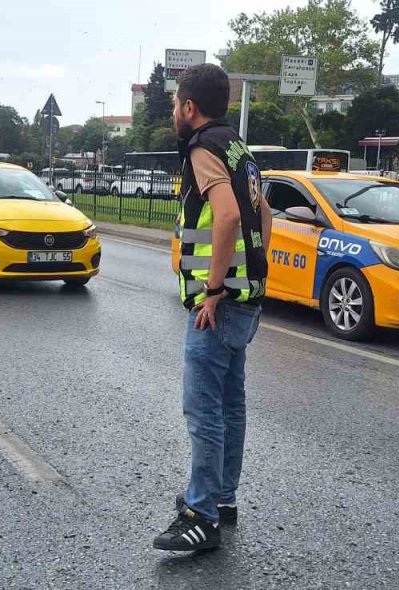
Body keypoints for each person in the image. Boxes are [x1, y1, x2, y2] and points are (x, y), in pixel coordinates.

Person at [153, 63, 271, 552]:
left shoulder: (204, 147)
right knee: (230, 402)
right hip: (248, 298)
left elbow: (225, 216)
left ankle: (201, 515)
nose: (177, 112)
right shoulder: (239, 149)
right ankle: (222, 498)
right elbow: (263, 213)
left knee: (203, 409)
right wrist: (252, 277)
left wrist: (216, 289)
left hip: (219, 303)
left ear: (189, 107)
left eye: (178, 104)